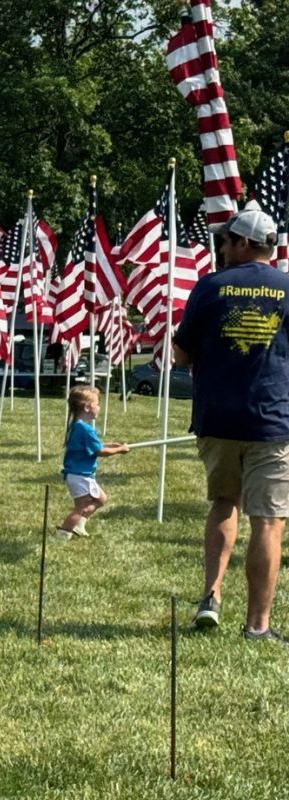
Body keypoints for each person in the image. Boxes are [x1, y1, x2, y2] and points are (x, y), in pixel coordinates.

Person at [173, 207, 289, 644]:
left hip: (217, 418)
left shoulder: (210, 287)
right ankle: (258, 626)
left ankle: (211, 598)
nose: (221, 248)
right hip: (273, 421)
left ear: (243, 243)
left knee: (224, 503)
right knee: (268, 522)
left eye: (226, 241)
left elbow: (181, 355)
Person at [55, 385, 129, 540]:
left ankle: (79, 525)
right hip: (79, 475)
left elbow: (94, 445)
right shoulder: (85, 429)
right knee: (80, 508)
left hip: (80, 474)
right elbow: (98, 451)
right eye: (97, 404)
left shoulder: (77, 425)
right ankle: (63, 533)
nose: (99, 407)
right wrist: (119, 450)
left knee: (101, 499)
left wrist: (111, 445)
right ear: (87, 407)